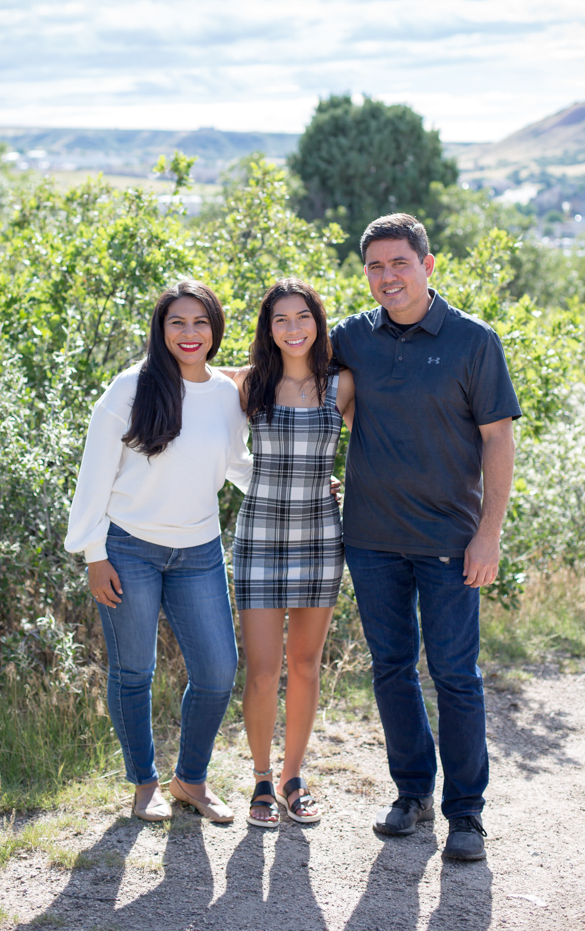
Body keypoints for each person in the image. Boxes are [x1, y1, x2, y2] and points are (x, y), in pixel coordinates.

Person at [330, 213, 520, 862]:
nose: (387, 277)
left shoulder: (473, 341)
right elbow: (290, 371)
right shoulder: (352, 336)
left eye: (399, 263)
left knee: (455, 675)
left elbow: (498, 439)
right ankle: (412, 794)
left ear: (427, 265)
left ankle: (466, 813)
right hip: (372, 540)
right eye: (376, 267)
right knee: (390, 669)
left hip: (450, 540)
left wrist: (488, 534)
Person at [64, 279, 253, 824]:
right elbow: (94, 475)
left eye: (199, 322)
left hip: (199, 551)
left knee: (218, 671)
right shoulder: (129, 388)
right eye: (177, 323)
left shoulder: (225, 394)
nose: (189, 333)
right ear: (161, 328)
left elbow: (238, 465)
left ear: (215, 328)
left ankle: (189, 780)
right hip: (128, 551)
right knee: (134, 670)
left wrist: (303, 485)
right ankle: (144, 781)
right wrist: (94, 554)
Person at [223, 279, 355, 828]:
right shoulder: (248, 383)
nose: (293, 328)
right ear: (268, 328)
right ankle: (258, 779)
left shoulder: (342, 385)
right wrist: (267, 480)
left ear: (318, 323)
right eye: (281, 319)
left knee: (303, 665)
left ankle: (292, 778)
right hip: (259, 536)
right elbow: (224, 451)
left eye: (303, 317)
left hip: (321, 537)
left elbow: (378, 447)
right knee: (261, 669)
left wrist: (339, 482)